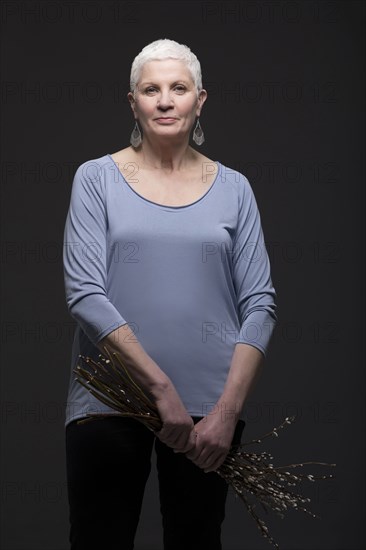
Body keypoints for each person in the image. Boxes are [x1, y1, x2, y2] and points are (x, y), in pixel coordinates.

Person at [63, 38, 277, 550]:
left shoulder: (235, 188)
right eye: (150, 89)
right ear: (132, 101)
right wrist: (161, 391)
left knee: (197, 542)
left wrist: (226, 411)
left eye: (178, 88)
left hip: (211, 414)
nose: (164, 100)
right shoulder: (97, 179)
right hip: (111, 402)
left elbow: (261, 304)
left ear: (200, 99)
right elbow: (85, 293)